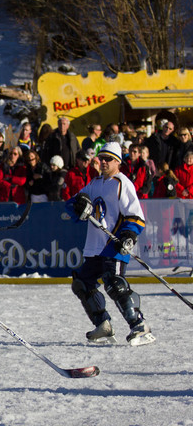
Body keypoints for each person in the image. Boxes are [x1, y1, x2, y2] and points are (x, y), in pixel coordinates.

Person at [66, 142, 154, 346]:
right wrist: (79, 205)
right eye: (101, 158)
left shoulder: (122, 183)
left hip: (114, 244)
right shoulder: (95, 183)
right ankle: (103, 324)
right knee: (82, 282)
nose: (103, 162)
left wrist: (128, 236)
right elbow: (71, 204)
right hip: (95, 245)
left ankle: (139, 325)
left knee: (113, 282)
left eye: (108, 159)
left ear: (118, 162)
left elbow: (136, 216)